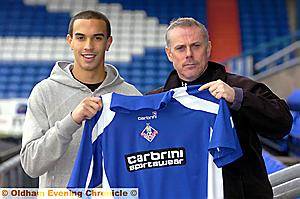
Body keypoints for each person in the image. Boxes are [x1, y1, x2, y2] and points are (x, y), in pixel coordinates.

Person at [148, 17, 293, 199]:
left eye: (196, 46)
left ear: (208, 48)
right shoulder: (154, 103)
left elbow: (283, 123)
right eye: (180, 48)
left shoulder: (240, 88)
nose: (189, 54)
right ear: (169, 54)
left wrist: (237, 98)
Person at [20, 10, 141, 188]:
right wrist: (71, 121)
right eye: (81, 38)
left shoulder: (130, 95)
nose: (89, 46)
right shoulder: (44, 92)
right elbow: (31, 165)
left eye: (97, 38)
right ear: (70, 41)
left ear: (109, 43)